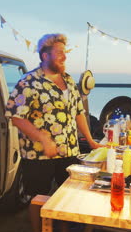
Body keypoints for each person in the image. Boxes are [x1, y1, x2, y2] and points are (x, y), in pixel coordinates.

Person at [5, 33, 101, 197]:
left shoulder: (69, 80)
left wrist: (90, 140)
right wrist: (43, 139)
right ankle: (39, 224)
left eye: (65, 52)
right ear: (45, 55)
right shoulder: (28, 81)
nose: (64, 57)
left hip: (70, 151)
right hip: (39, 155)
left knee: (69, 194)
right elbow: (16, 117)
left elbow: (79, 112)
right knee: (38, 198)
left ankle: (61, 224)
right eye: (59, 53)